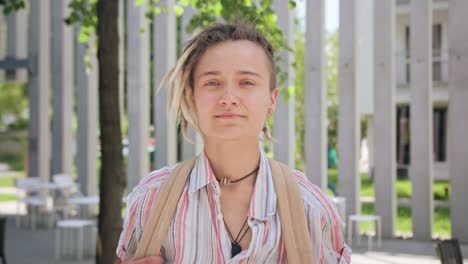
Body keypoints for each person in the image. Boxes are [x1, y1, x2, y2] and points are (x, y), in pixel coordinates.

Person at [116, 23, 351, 263]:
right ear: (192, 96)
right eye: (212, 83)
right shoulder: (150, 200)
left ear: (271, 100)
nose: (228, 98)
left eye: (246, 82)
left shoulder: (311, 210)